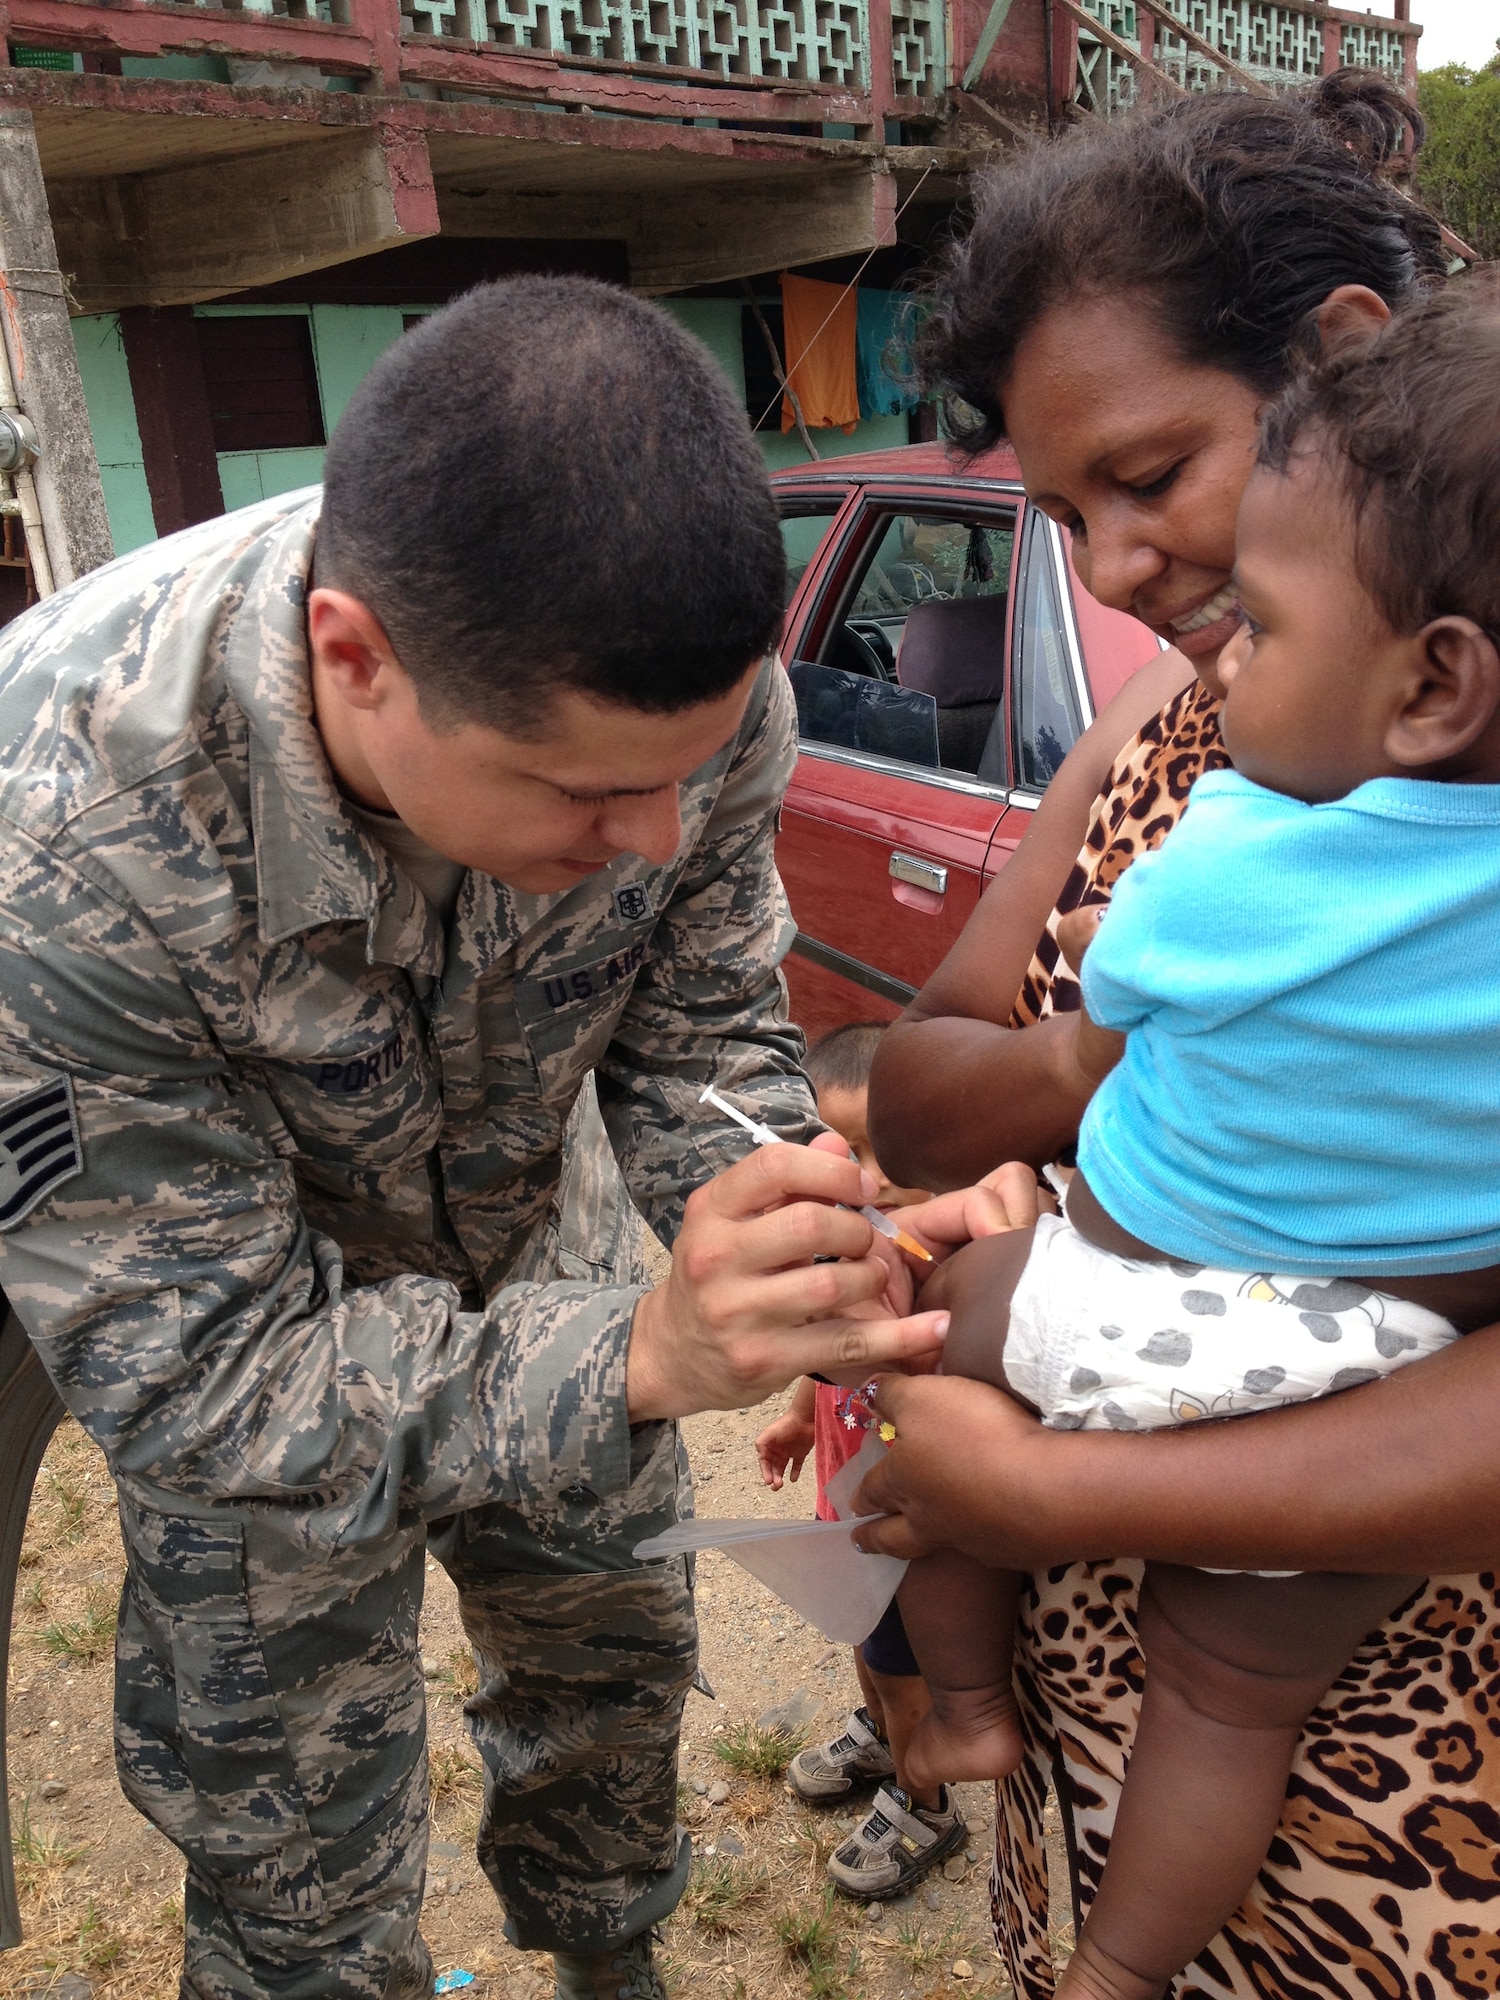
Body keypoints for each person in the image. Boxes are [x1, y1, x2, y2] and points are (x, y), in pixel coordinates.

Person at [0, 278, 954, 2000]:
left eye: (691, 772)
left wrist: (784, 1204)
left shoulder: (679, 707)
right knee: (292, 1838)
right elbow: (199, 1380)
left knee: (609, 1683)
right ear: (355, 658)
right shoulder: (64, 838)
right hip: (244, 1338)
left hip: (546, 1249)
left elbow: (697, 1036)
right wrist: (641, 1356)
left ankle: (608, 1962)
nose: (655, 834)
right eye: (586, 798)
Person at [853, 76, 1500, 2000]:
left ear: (1337, 368)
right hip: (1104, 1757)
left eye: (1152, 475)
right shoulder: (1176, 737)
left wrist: (1055, 1494)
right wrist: (1107, 1089)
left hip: (1414, 1859)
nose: (1115, 567)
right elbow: (913, 1090)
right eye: (1064, 516)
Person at [754, 1023, 963, 1899]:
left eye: (891, 1155)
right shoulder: (845, 1255)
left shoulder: (951, 1274)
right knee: (864, 1643)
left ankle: (927, 1803)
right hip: (852, 1513)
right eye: (847, 1153)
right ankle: (880, 1735)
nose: (867, 1182)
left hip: (909, 1531)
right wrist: (802, 1414)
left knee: (906, 1669)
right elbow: (827, 1351)